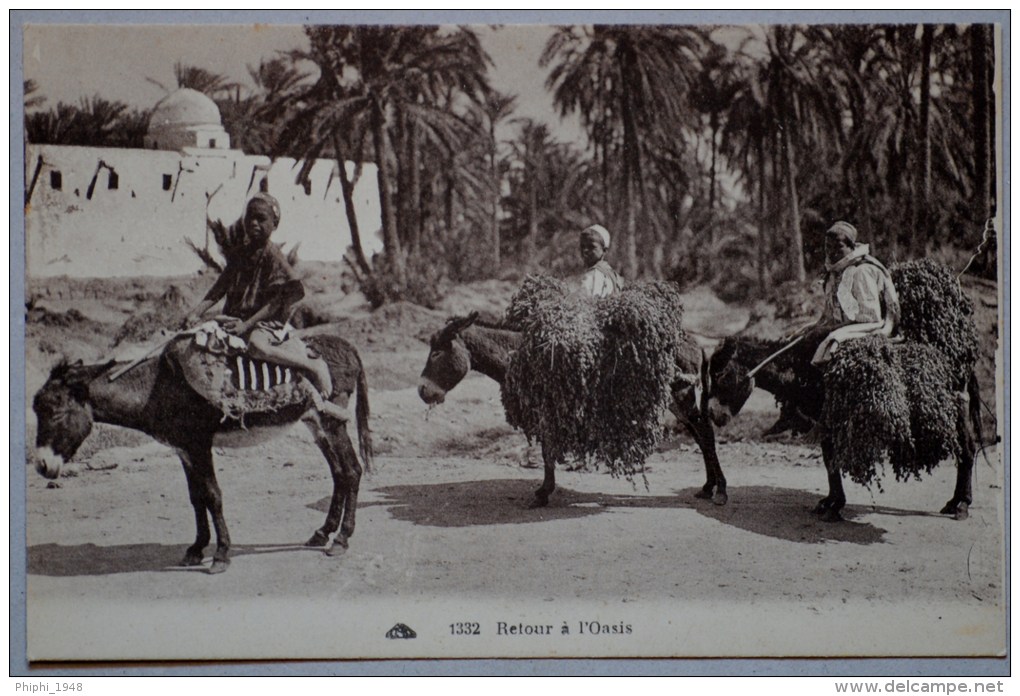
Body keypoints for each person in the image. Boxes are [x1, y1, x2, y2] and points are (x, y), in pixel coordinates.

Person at [181, 193, 345, 420]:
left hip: (265, 320)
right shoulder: (240, 254)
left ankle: (312, 366)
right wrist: (196, 312)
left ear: (274, 224)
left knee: (257, 346)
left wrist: (247, 325)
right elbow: (220, 287)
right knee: (201, 338)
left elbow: (276, 301)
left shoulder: (273, 257)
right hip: (237, 317)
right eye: (249, 218)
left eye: (261, 219)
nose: (254, 224)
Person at [806, 220, 900, 365]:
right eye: (828, 247)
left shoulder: (861, 271)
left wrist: (827, 330)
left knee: (832, 339)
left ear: (851, 247)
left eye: (838, 247)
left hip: (871, 327)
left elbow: (868, 318)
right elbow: (830, 314)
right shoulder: (834, 274)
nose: (832, 252)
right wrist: (815, 328)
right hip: (846, 326)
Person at [577, 224, 624, 297]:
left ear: (604, 251)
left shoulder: (594, 274)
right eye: (582, 246)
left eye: (591, 247)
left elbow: (585, 302)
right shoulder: (610, 272)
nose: (585, 250)